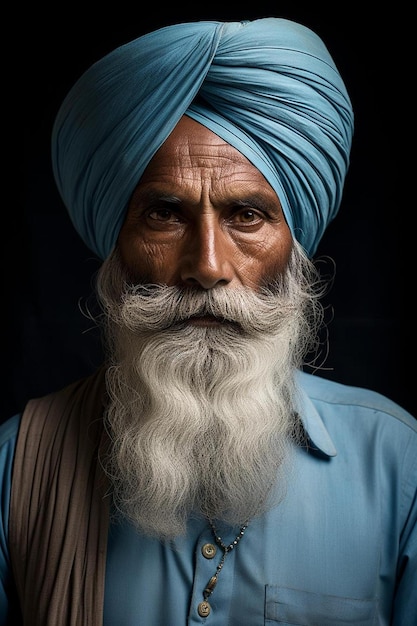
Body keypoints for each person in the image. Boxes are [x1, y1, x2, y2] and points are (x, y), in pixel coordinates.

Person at [1, 17, 416, 626]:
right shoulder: (17, 469)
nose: (208, 267)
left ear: (294, 250)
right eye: (165, 214)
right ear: (116, 249)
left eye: (246, 214)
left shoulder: (399, 467)